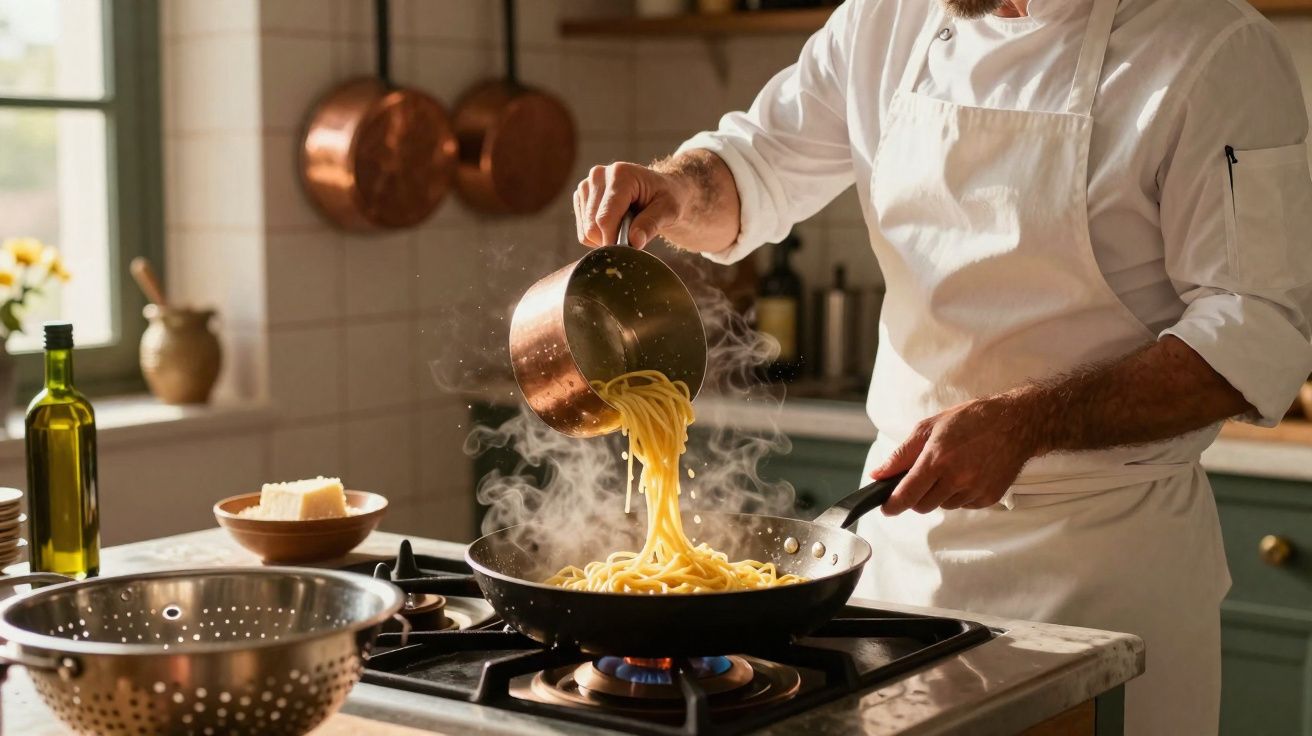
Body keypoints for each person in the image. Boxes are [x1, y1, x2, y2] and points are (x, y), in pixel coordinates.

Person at [570, 0, 1312, 732]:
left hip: (1105, 579)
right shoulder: (886, 19)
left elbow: (1254, 331)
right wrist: (675, 189)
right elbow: (756, 163)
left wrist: (1027, 422)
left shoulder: (1215, 49)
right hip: (903, 568)